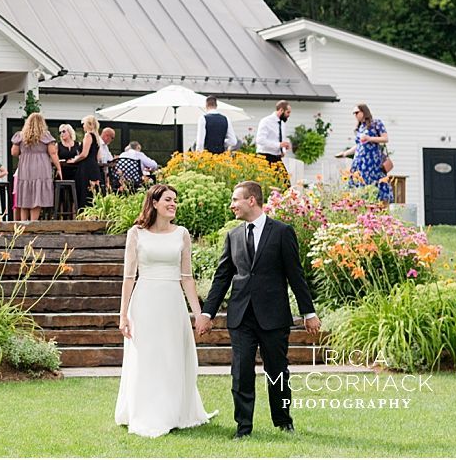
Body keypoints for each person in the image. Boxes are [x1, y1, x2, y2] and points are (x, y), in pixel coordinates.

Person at [197, 181, 320, 439]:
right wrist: (207, 313)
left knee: (277, 372)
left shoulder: (282, 232)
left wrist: (308, 313)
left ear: (251, 200)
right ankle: (243, 428)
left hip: (273, 316)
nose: (232, 205)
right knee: (240, 373)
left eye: (235, 200)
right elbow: (222, 277)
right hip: (241, 317)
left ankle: (283, 421)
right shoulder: (233, 236)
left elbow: (295, 275)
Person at [115, 184, 215, 437]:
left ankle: (173, 411)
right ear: (154, 203)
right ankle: (146, 412)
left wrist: (199, 314)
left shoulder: (182, 234)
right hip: (144, 301)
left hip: (172, 303)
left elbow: (187, 278)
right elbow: (129, 277)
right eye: (168, 199)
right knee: (147, 357)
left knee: (171, 356)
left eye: (175, 200)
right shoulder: (136, 233)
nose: (173, 204)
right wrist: (123, 315)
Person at [10, 112, 61, 222]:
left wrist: (25, 152)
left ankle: (23, 223)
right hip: (41, 166)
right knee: (37, 194)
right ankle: (33, 223)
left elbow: (14, 152)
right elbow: (53, 153)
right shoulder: (46, 136)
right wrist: (59, 168)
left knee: (25, 194)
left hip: (25, 166)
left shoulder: (21, 135)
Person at [349, 103, 393, 202]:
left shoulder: (376, 123)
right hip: (360, 162)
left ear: (364, 112)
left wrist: (369, 138)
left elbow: (385, 138)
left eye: (357, 112)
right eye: (354, 113)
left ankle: (379, 204)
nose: (355, 115)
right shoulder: (360, 127)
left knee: (374, 182)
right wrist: (345, 153)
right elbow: (359, 145)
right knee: (358, 182)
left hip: (372, 160)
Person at [77, 115, 104, 207]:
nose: (83, 126)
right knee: (93, 193)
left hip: (86, 167)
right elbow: (99, 157)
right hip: (94, 167)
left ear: (89, 125)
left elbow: (84, 154)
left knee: (84, 192)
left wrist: (74, 160)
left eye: (84, 124)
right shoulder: (97, 137)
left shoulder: (88, 135)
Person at [255, 100, 292, 165]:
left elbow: (281, 141)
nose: (289, 115)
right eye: (288, 112)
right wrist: (279, 145)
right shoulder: (266, 121)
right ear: (281, 110)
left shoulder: (282, 123)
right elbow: (260, 140)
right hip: (264, 156)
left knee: (284, 172)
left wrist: (283, 149)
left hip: (277, 157)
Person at [56, 123, 83, 195]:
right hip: (63, 171)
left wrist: (75, 159)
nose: (62, 134)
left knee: (76, 193)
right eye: (60, 132)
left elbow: (81, 156)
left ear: (70, 132)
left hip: (76, 172)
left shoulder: (78, 144)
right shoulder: (58, 145)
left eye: (64, 131)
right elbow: (54, 158)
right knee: (61, 194)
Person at [98, 127, 117, 191]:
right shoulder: (98, 143)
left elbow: (110, 159)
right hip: (98, 170)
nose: (112, 140)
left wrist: (115, 159)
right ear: (107, 136)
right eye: (112, 138)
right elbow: (100, 159)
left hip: (104, 172)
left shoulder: (105, 146)